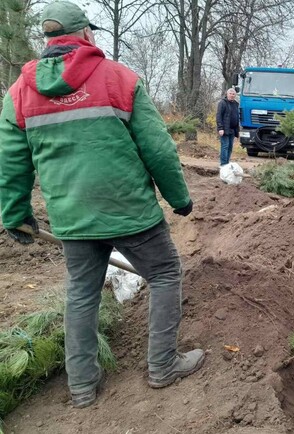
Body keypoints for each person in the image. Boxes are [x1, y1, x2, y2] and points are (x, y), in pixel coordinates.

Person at [0, 1, 204, 409]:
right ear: (87, 36)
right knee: (164, 273)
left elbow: (11, 160)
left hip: (71, 214)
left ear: (49, 40)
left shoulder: (20, 92)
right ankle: (162, 366)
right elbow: (158, 149)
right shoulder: (118, 78)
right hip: (130, 210)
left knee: (81, 294)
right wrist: (179, 198)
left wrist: (14, 213)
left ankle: (82, 388)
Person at [216, 88, 240, 166]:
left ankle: (227, 163)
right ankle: (223, 164)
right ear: (227, 94)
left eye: (233, 94)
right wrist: (220, 128)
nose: (232, 95)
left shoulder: (236, 104)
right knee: (225, 146)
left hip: (232, 130)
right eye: (230, 94)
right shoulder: (222, 103)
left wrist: (237, 130)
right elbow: (219, 116)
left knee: (230, 147)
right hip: (224, 129)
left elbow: (237, 116)